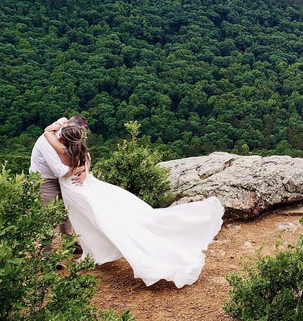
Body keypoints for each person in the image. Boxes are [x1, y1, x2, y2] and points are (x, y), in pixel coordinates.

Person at [42, 122, 224, 288]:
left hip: (75, 191)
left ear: (65, 139)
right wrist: (83, 168)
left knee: (95, 222)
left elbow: (47, 133)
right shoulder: (81, 148)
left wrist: (57, 128)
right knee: (96, 220)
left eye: (62, 135)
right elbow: (86, 160)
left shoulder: (63, 151)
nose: (58, 136)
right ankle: (92, 252)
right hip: (87, 185)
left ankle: (98, 253)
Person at [29, 115, 89, 253]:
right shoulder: (47, 141)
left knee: (65, 212)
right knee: (48, 216)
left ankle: (69, 244)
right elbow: (60, 171)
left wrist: (85, 169)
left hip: (62, 179)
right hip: (45, 179)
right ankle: (47, 253)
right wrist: (81, 168)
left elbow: (86, 156)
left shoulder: (72, 134)